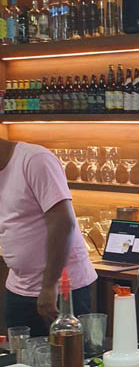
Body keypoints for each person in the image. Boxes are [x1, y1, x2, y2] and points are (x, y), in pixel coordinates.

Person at [0, 138, 95, 336]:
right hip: (18, 287)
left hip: (61, 288)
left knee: (69, 354)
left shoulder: (35, 160)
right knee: (20, 354)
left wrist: (50, 285)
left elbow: (63, 223)